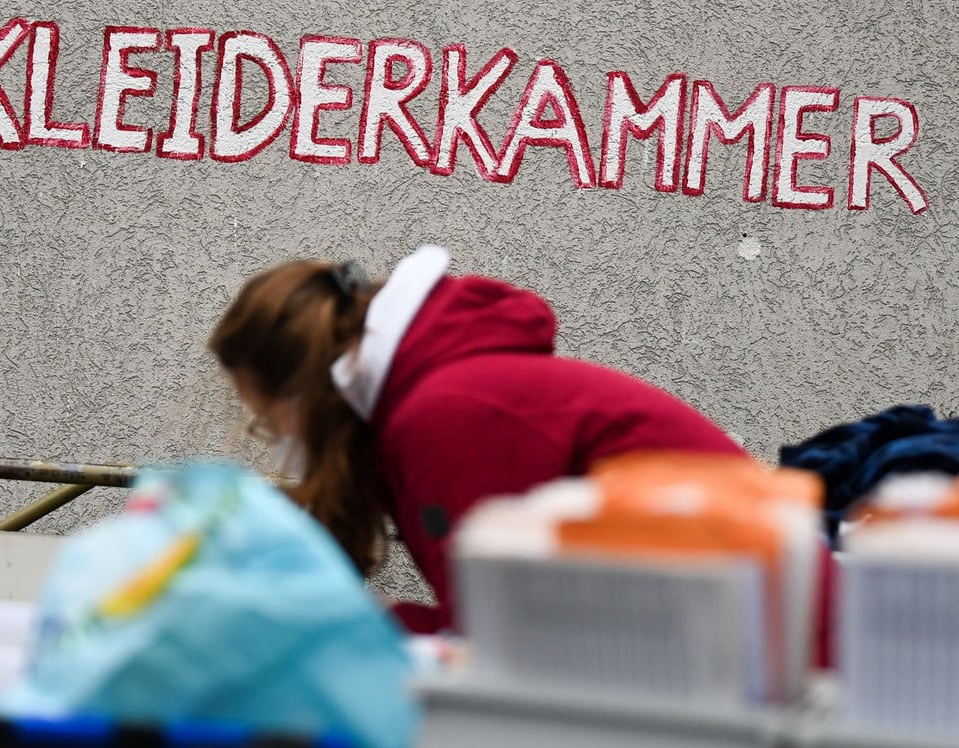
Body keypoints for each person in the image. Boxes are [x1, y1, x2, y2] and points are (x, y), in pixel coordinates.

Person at [209, 245, 748, 634]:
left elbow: (497, 647)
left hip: (752, 660)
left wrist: (345, 625)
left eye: (267, 417)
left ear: (307, 390)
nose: (271, 436)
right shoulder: (436, 402)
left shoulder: (445, 416)